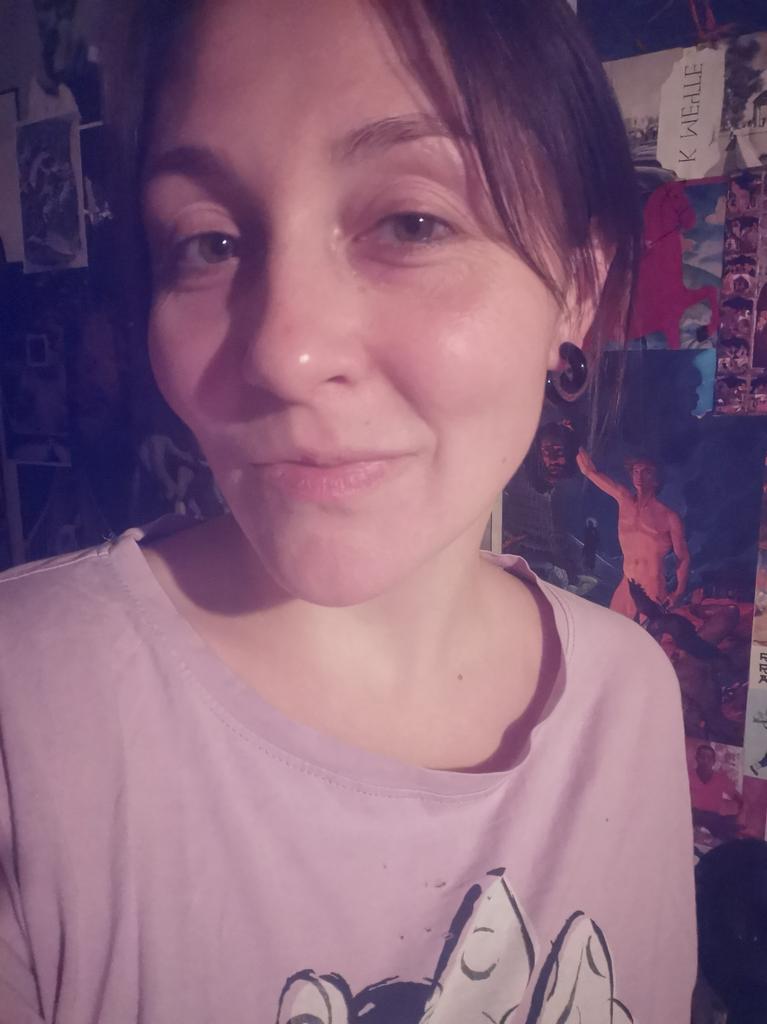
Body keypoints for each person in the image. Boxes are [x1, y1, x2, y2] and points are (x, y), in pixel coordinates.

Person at [0, 2, 696, 1022]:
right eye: (208, 242)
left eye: (411, 223)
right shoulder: (29, 720)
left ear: (576, 291)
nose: (281, 351)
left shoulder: (626, 701)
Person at [576, 450, 691, 617]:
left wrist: (678, 592)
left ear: (656, 480)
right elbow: (589, 471)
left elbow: (683, 558)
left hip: (653, 588)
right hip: (627, 583)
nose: (639, 476)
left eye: (646, 471)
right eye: (636, 471)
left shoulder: (669, 517)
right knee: (613, 627)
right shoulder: (624, 499)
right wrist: (575, 442)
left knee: (646, 631)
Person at [688, 744, 743, 843]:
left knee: (731, 837)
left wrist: (738, 816)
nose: (705, 760)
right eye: (702, 757)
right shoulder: (688, 776)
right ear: (696, 758)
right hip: (692, 815)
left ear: (714, 761)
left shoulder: (721, 778)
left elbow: (738, 798)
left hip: (713, 818)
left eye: (709, 758)